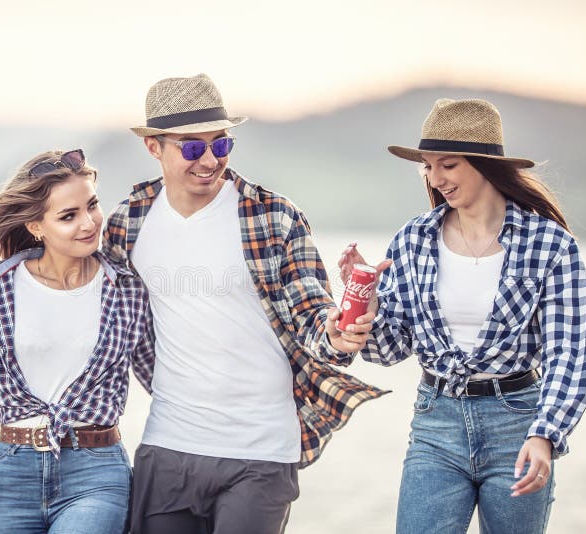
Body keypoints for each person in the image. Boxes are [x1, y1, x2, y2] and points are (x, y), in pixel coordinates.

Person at [102, 73, 387, 534]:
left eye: (221, 144)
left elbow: (313, 312)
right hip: (169, 443)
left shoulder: (272, 214)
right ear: (153, 147)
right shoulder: (126, 224)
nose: (209, 159)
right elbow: (85, 306)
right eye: (192, 148)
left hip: (261, 452)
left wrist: (338, 333)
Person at [339, 98, 586, 533]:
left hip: (518, 423)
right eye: (428, 167)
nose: (435, 179)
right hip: (436, 422)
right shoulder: (414, 239)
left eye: (448, 165)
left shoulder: (551, 244)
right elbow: (388, 349)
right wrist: (368, 303)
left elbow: (569, 353)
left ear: (484, 165)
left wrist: (545, 434)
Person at [0, 149, 154, 534]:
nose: (88, 224)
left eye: (92, 206)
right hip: (11, 475)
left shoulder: (127, 290)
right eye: (68, 216)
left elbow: (163, 378)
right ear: (36, 226)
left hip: (97, 473)